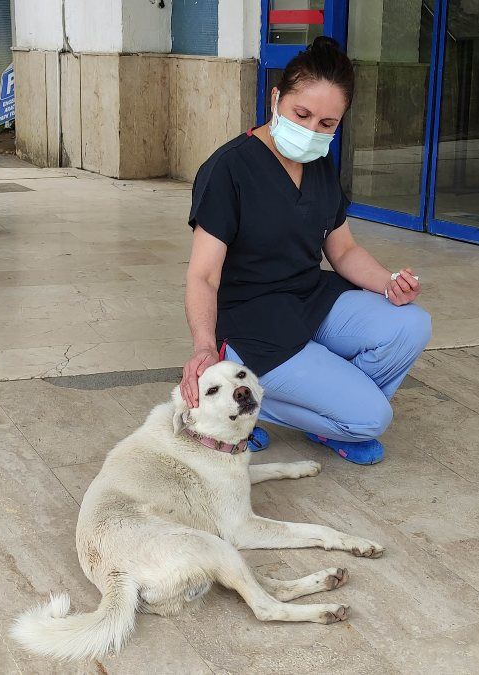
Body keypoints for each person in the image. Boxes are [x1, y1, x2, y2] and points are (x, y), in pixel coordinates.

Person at [180, 37, 432, 466]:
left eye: (327, 123)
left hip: (308, 298)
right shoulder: (228, 169)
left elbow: (344, 249)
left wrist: (390, 283)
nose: (312, 131)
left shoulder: (320, 165)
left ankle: (328, 416)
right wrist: (204, 347)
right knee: (372, 418)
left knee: (411, 324)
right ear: (276, 98)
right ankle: (259, 406)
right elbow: (203, 275)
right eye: (302, 114)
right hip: (252, 321)